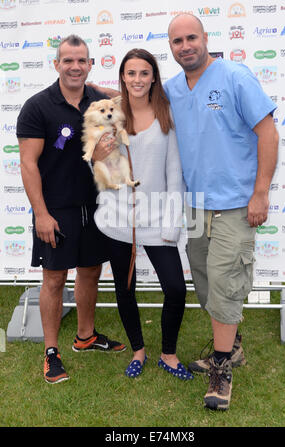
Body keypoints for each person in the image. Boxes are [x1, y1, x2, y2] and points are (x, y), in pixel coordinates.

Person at [164, 14, 279, 410]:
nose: (185, 46)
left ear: (205, 38)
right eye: (177, 41)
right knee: (205, 282)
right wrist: (85, 85)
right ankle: (233, 345)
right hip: (196, 205)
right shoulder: (174, 88)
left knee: (225, 279)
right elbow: (134, 96)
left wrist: (260, 193)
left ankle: (222, 369)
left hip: (235, 205)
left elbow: (268, 131)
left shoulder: (234, 76)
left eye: (191, 37)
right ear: (172, 47)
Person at [16, 35, 126, 385]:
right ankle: (51, 352)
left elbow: (134, 96)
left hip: (96, 206)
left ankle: (85, 336)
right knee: (54, 278)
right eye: (68, 61)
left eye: (82, 61)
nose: (74, 66)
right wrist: (42, 214)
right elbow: (28, 164)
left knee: (91, 269)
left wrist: (95, 86)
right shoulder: (37, 106)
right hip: (56, 208)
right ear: (56, 64)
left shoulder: (99, 101)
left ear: (90, 64)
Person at [93, 48, 193, 380]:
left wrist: (172, 223)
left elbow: (174, 173)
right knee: (125, 288)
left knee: (176, 289)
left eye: (144, 73)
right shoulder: (110, 116)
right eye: (131, 73)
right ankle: (138, 350)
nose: (137, 79)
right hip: (119, 220)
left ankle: (169, 353)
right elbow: (100, 166)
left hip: (156, 218)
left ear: (153, 77)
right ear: (122, 76)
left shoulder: (167, 114)